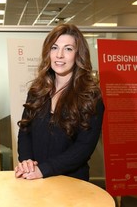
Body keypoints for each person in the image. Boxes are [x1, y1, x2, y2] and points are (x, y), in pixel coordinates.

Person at [14, 24, 104, 181]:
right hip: (35, 179)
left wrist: (44, 169)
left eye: (68, 49)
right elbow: (25, 131)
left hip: (71, 182)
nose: (59, 55)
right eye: (54, 48)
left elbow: (83, 148)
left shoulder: (90, 96)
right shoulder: (37, 91)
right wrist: (26, 161)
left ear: (78, 54)